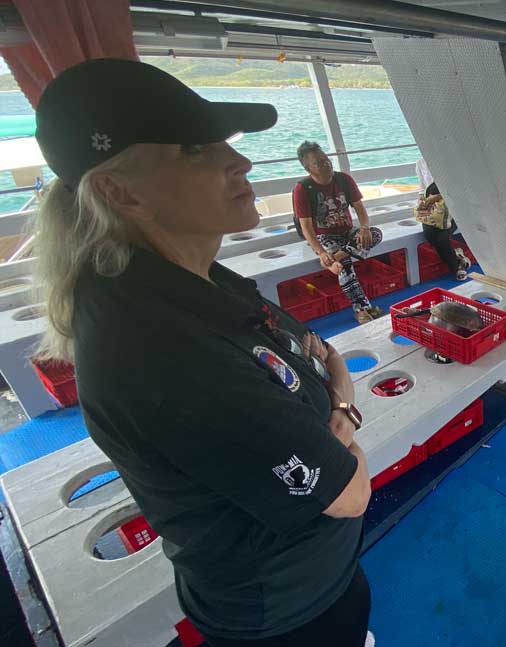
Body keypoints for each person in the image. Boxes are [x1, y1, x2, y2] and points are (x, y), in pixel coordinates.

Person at [32, 59, 374, 646]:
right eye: (195, 148)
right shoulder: (164, 351)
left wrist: (330, 413)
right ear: (120, 191)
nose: (238, 161)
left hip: (315, 580)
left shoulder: (194, 282)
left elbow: (312, 356)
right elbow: (349, 494)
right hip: (287, 612)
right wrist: (342, 406)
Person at [292, 141, 383, 324]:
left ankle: (337, 257)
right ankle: (362, 309)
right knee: (346, 265)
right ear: (308, 168)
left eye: (326, 159)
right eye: (319, 162)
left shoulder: (343, 179)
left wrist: (364, 228)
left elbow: (360, 209)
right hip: (323, 235)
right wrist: (322, 252)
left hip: (348, 232)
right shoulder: (302, 189)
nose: (326, 164)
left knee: (376, 234)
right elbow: (307, 228)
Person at [414, 181, 472, 281]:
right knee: (430, 235)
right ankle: (458, 256)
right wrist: (427, 201)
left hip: (454, 217)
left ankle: (456, 268)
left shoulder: (452, 181)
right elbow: (423, 209)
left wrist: (440, 197)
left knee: (442, 239)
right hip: (434, 217)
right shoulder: (430, 184)